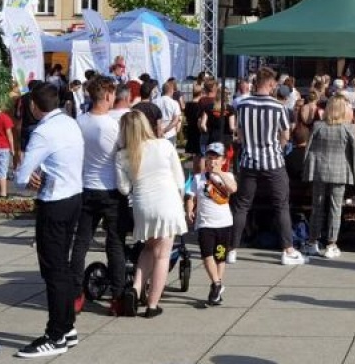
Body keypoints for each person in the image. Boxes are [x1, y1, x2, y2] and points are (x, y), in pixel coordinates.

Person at [14, 81, 87, 357]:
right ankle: (66, 327)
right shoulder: (70, 123)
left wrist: (28, 177)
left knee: (53, 270)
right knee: (62, 266)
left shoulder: (43, 132)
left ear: (34, 106)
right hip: (73, 197)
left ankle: (56, 333)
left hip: (54, 202)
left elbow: (21, 178)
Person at [69, 76, 133, 317]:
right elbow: (124, 153)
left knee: (81, 243)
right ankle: (116, 297)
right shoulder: (112, 126)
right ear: (107, 96)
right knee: (115, 244)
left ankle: (76, 294)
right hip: (110, 190)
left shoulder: (79, 122)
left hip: (85, 187)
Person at [229, 68, 304, 266]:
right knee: (281, 204)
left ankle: (232, 249)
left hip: (249, 160)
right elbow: (286, 136)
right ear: (271, 84)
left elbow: (240, 134)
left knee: (242, 205)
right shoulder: (278, 107)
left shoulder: (243, 105)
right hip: (272, 161)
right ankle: (287, 249)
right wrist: (276, 148)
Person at [116, 108, 187, 317]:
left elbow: (124, 188)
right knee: (162, 255)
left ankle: (136, 289)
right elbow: (179, 178)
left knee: (148, 249)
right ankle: (152, 304)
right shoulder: (164, 145)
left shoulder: (123, 155)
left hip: (142, 205)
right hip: (167, 202)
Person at [304, 94, 355, 260]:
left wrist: (307, 169)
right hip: (340, 171)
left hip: (319, 171)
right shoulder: (347, 128)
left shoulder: (318, 126)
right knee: (336, 209)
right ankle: (331, 244)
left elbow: (308, 150)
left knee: (317, 207)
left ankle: (312, 242)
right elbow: (354, 154)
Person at [187, 142, 236, 306]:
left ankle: (217, 286)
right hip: (205, 223)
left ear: (223, 160)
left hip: (224, 224)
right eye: (209, 158)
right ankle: (216, 284)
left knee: (220, 257)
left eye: (216, 158)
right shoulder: (197, 178)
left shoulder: (228, 176)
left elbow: (233, 188)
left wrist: (219, 174)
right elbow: (191, 196)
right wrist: (189, 210)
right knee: (207, 255)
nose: (212, 161)